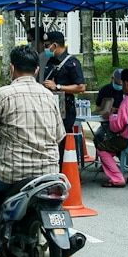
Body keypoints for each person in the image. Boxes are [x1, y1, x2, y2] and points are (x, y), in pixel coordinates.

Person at [0, 45, 79, 257]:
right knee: (55, 206)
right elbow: (60, 134)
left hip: (11, 173)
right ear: (37, 70)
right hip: (48, 171)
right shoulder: (49, 95)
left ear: (11, 68)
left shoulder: (2, 95)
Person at [93, 68, 128, 187]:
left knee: (102, 146)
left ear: (126, 83)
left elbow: (117, 127)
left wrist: (111, 116)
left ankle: (117, 178)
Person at [42, 30, 86, 160]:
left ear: (54, 46)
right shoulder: (49, 62)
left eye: (47, 45)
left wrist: (58, 87)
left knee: (62, 140)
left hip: (65, 109)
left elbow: (81, 87)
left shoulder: (71, 62)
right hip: (49, 107)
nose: (45, 48)